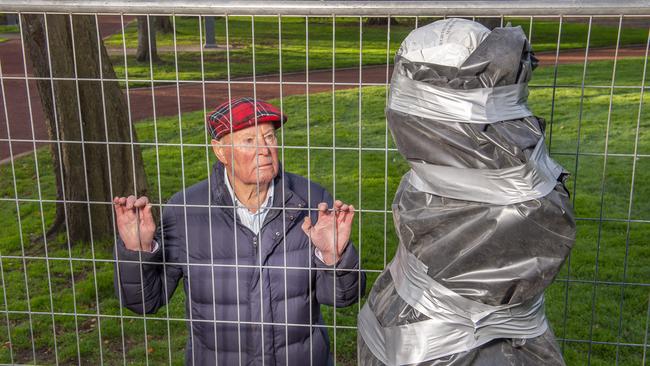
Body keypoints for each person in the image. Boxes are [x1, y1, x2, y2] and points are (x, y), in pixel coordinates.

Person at [113, 97, 365, 366]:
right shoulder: (185, 210)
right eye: (249, 141)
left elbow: (343, 297)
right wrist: (137, 251)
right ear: (220, 151)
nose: (265, 150)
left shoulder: (312, 199)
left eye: (269, 137)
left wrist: (334, 257)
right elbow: (144, 301)